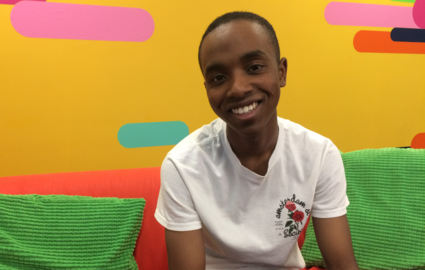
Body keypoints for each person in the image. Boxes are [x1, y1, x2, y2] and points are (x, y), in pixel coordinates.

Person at [154, 11, 359, 270]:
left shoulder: (319, 155)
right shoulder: (183, 166)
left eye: (254, 68)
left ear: (281, 72)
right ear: (207, 89)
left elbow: (342, 263)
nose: (238, 88)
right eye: (218, 78)